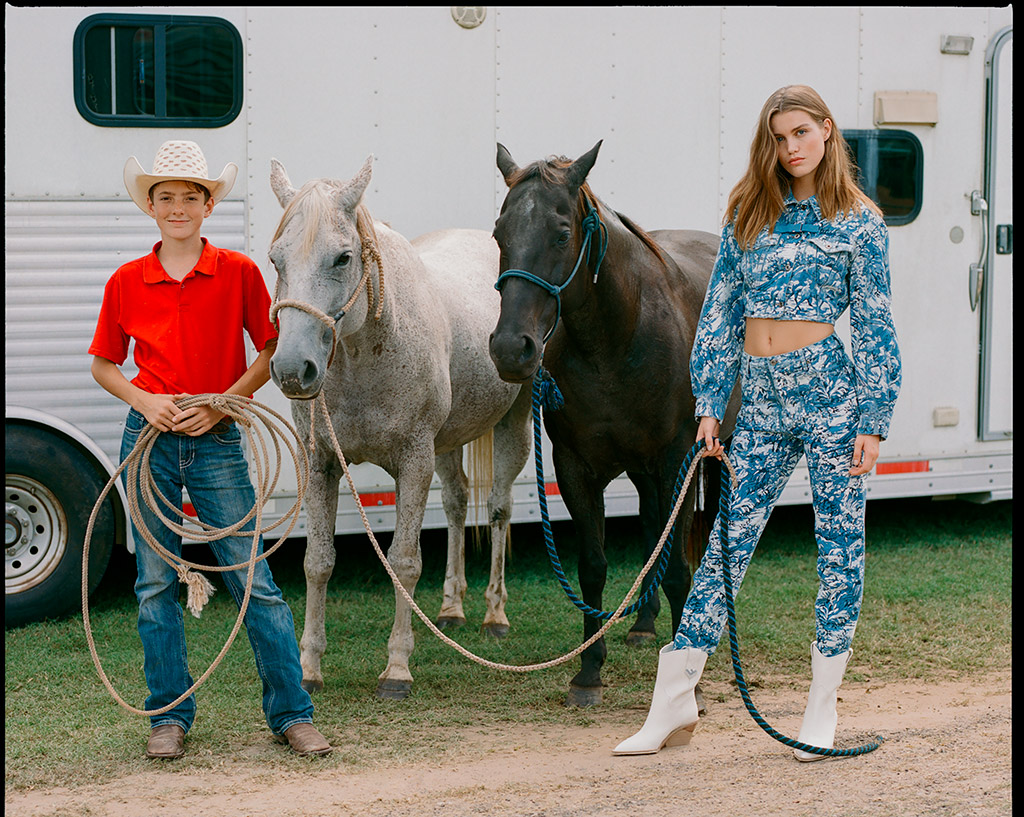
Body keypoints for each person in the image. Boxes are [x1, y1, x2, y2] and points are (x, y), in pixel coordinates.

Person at [612, 85, 901, 760]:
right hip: (761, 399)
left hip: (830, 394)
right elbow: (719, 313)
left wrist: (873, 418)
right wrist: (710, 402)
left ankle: (820, 709)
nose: (790, 147)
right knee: (722, 546)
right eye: (778, 136)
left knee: (839, 550)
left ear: (827, 132)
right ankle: (673, 703)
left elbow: (877, 323)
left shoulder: (859, 221)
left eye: (801, 132)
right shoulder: (750, 212)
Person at [89, 140, 331, 760]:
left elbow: (271, 348)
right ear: (150, 206)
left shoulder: (238, 273)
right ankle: (167, 718)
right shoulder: (125, 281)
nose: (177, 207)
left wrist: (224, 401)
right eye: (164, 197)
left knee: (253, 579)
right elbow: (104, 365)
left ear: (207, 206)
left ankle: (292, 713)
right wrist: (145, 402)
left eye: (189, 197)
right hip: (148, 442)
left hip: (218, 438)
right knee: (153, 582)